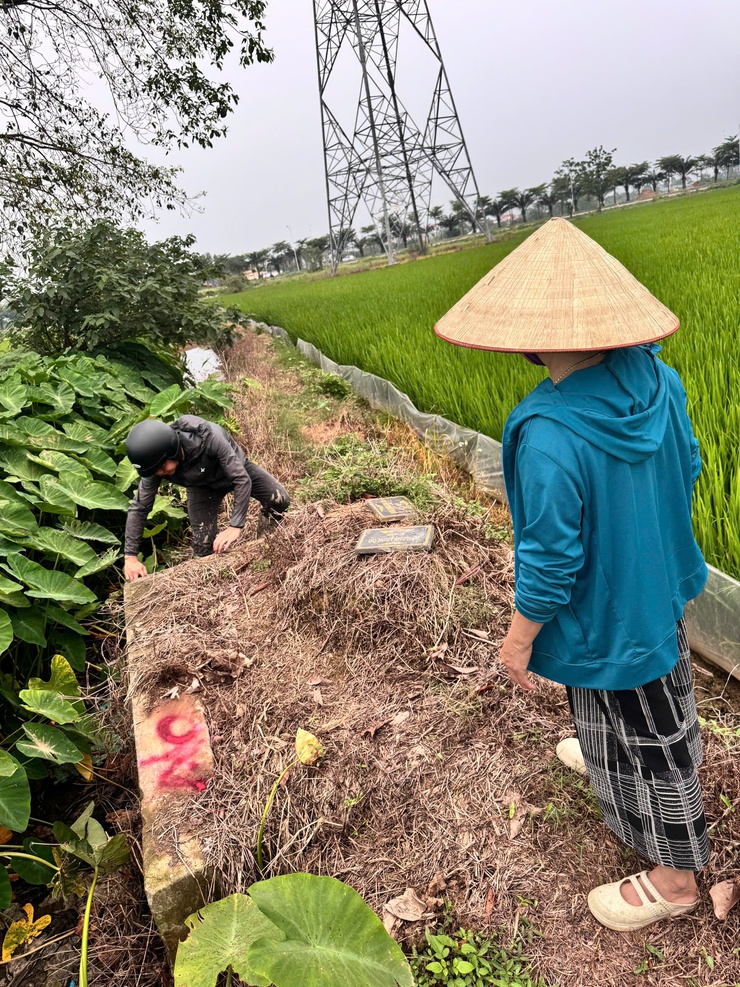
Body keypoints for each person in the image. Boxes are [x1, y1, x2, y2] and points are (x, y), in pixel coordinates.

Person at [435, 217, 709, 932]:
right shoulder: (661, 378)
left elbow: (552, 560)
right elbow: (689, 467)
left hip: (609, 610)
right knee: (630, 699)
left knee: (657, 734)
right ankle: (604, 762)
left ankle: (677, 878)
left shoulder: (550, 433)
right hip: (659, 589)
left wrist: (519, 638)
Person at [123, 415, 289, 580]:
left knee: (279, 500)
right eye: (155, 471)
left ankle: (266, 544)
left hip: (235, 471)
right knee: (203, 548)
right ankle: (217, 584)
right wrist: (130, 557)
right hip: (201, 487)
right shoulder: (155, 464)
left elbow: (241, 479)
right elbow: (139, 507)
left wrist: (235, 526)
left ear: (171, 450)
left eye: (161, 468)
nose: (159, 473)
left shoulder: (210, 437)